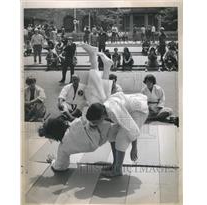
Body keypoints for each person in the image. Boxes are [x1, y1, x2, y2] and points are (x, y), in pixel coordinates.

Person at [38, 44, 116, 172]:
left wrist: (52, 161)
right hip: (98, 127)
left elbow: (60, 166)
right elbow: (80, 119)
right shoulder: (72, 127)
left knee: (99, 95)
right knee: (94, 93)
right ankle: (96, 59)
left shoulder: (63, 147)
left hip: (101, 132)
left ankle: (104, 65)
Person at [86, 92, 149, 177]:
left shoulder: (114, 112)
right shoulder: (103, 108)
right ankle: (115, 164)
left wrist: (134, 148)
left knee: (121, 138)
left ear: (101, 116)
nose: (94, 124)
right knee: (111, 133)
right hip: (128, 110)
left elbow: (132, 128)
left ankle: (117, 170)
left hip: (139, 111)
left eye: (95, 122)